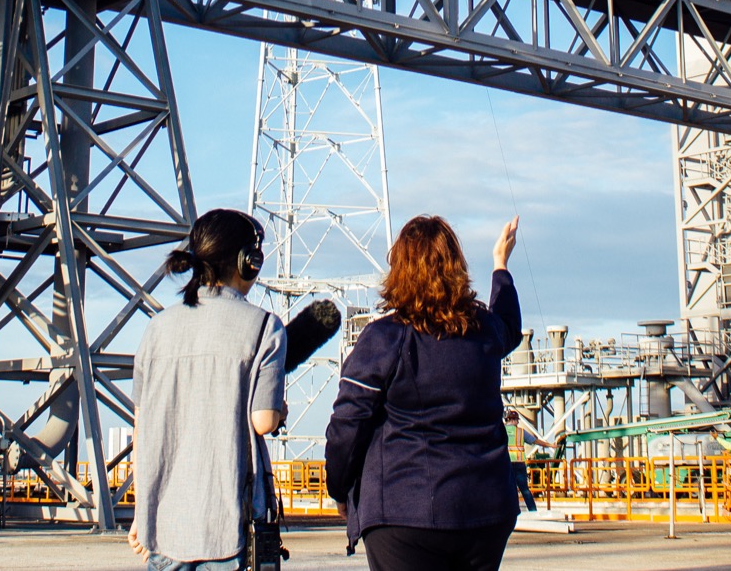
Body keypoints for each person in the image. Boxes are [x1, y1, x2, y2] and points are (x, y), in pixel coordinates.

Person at [325, 215, 524, 571]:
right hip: (486, 510)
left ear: (399, 269)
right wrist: (500, 266)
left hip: (403, 512)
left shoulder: (385, 339)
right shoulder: (483, 332)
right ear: (456, 267)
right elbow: (510, 326)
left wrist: (339, 489)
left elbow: (349, 423)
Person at [129, 209, 288, 571]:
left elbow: (143, 431)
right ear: (248, 262)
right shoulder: (265, 327)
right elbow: (262, 422)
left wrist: (143, 515)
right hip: (232, 529)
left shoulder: (156, 330)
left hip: (167, 530)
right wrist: (279, 410)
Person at [503, 409, 538, 512]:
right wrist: (550, 445)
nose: (518, 422)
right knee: (525, 490)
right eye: (517, 420)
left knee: (509, 489)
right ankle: (533, 511)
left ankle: (513, 512)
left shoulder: (501, 430)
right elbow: (535, 441)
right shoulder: (521, 432)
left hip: (506, 464)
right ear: (513, 420)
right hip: (519, 464)